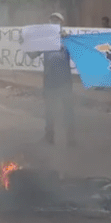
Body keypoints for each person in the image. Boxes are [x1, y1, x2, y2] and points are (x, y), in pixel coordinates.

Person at [29, 13, 76, 146]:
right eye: (52, 20)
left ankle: (71, 139)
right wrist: (25, 45)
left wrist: (68, 39)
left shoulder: (67, 39)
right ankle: (49, 136)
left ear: (62, 23)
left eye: (57, 20)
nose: (54, 23)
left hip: (65, 81)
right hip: (50, 80)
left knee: (68, 111)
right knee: (50, 110)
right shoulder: (45, 41)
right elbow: (33, 55)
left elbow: (78, 53)